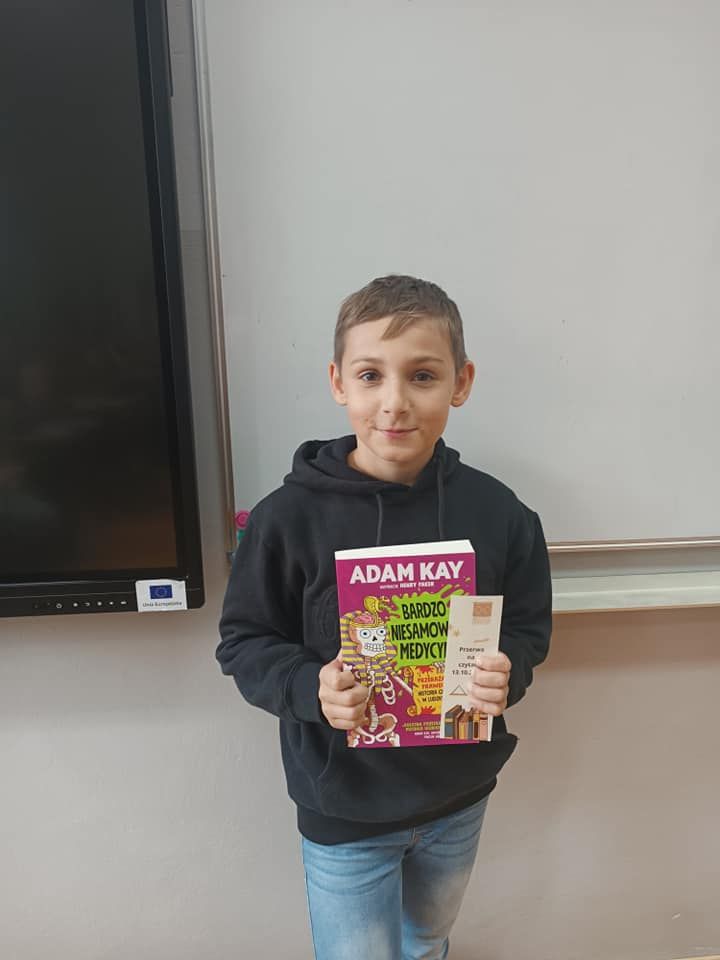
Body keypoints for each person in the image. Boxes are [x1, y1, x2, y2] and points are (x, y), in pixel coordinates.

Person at [217, 275, 552, 960]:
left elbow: (526, 627)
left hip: (459, 796)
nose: (395, 402)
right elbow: (244, 642)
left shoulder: (500, 514)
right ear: (338, 383)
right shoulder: (285, 520)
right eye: (371, 375)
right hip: (343, 807)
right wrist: (310, 687)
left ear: (461, 383)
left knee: (426, 941)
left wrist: (508, 672)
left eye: (422, 376)